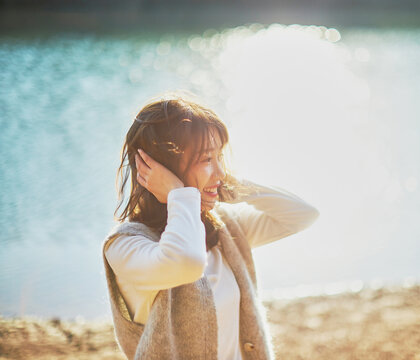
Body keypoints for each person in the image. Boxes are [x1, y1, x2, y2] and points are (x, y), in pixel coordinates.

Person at [102, 91, 319, 360]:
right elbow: (187, 264)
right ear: (161, 167)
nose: (219, 172)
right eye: (206, 159)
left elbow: (302, 215)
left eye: (220, 157)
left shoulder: (226, 229)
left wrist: (237, 188)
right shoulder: (125, 246)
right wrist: (177, 194)